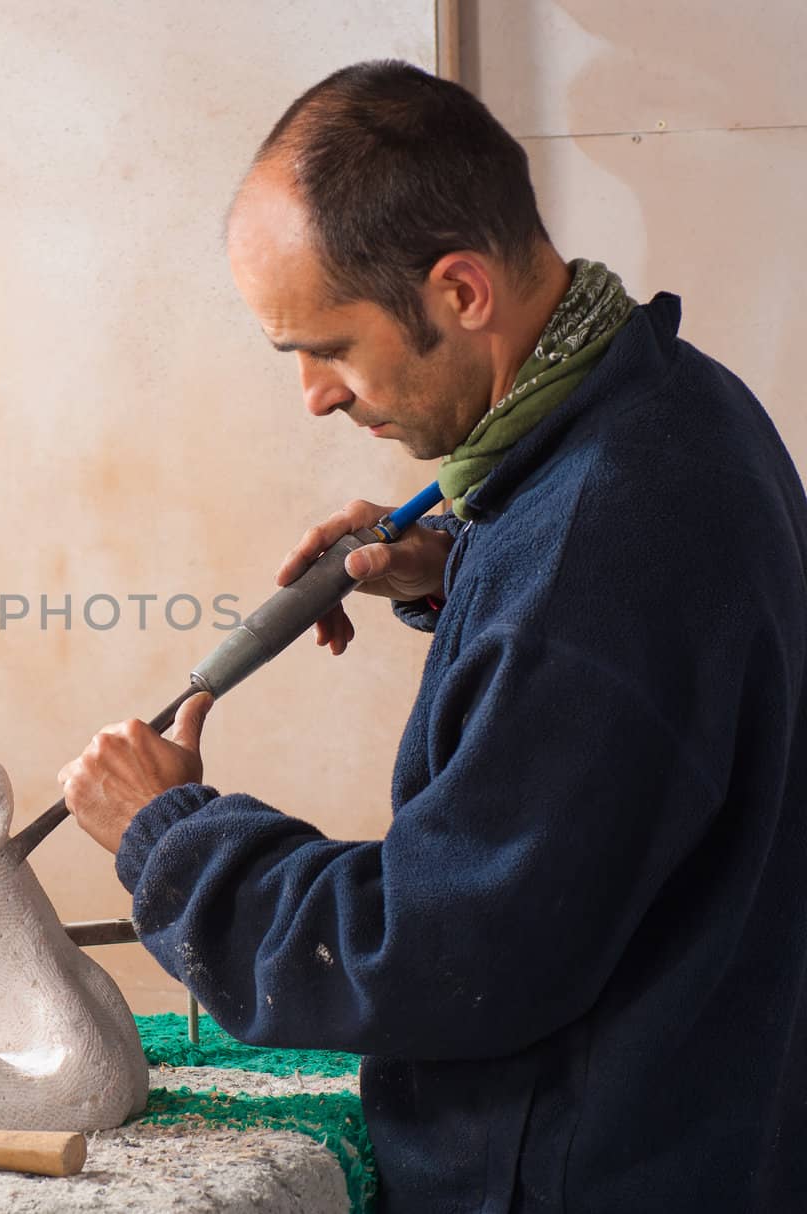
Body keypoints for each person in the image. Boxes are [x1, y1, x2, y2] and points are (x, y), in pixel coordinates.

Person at [57, 60, 807, 1212]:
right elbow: (635, 706)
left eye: (330, 347)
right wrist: (470, 566)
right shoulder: (681, 409)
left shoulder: (600, 545)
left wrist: (170, 841)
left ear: (460, 290)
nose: (313, 393)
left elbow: (433, 957)